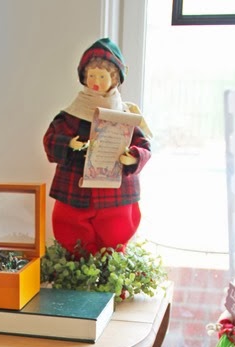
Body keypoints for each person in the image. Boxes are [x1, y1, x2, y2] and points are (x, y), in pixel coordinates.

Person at [43, 37, 151, 256]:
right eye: (91, 75)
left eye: (102, 76)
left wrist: (134, 156)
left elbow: (144, 145)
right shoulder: (72, 114)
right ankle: (77, 266)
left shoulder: (125, 115)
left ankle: (111, 265)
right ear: (84, 76)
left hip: (115, 192)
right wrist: (68, 144)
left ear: (114, 78)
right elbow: (51, 139)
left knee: (116, 228)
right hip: (75, 189)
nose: (96, 81)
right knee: (70, 225)